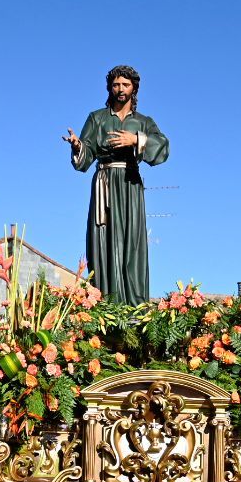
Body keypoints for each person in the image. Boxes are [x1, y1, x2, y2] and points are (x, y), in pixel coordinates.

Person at [64, 64, 170, 305]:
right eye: (116, 85)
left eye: (125, 84)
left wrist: (135, 139)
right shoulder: (97, 118)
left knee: (132, 242)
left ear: (134, 88)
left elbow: (163, 147)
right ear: (109, 88)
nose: (120, 89)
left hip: (130, 184)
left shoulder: (143, 121)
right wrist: (78, 146)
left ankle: (134, 306)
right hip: (105, 184)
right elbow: (85, 157)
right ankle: (106, 303)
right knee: (103, 241)